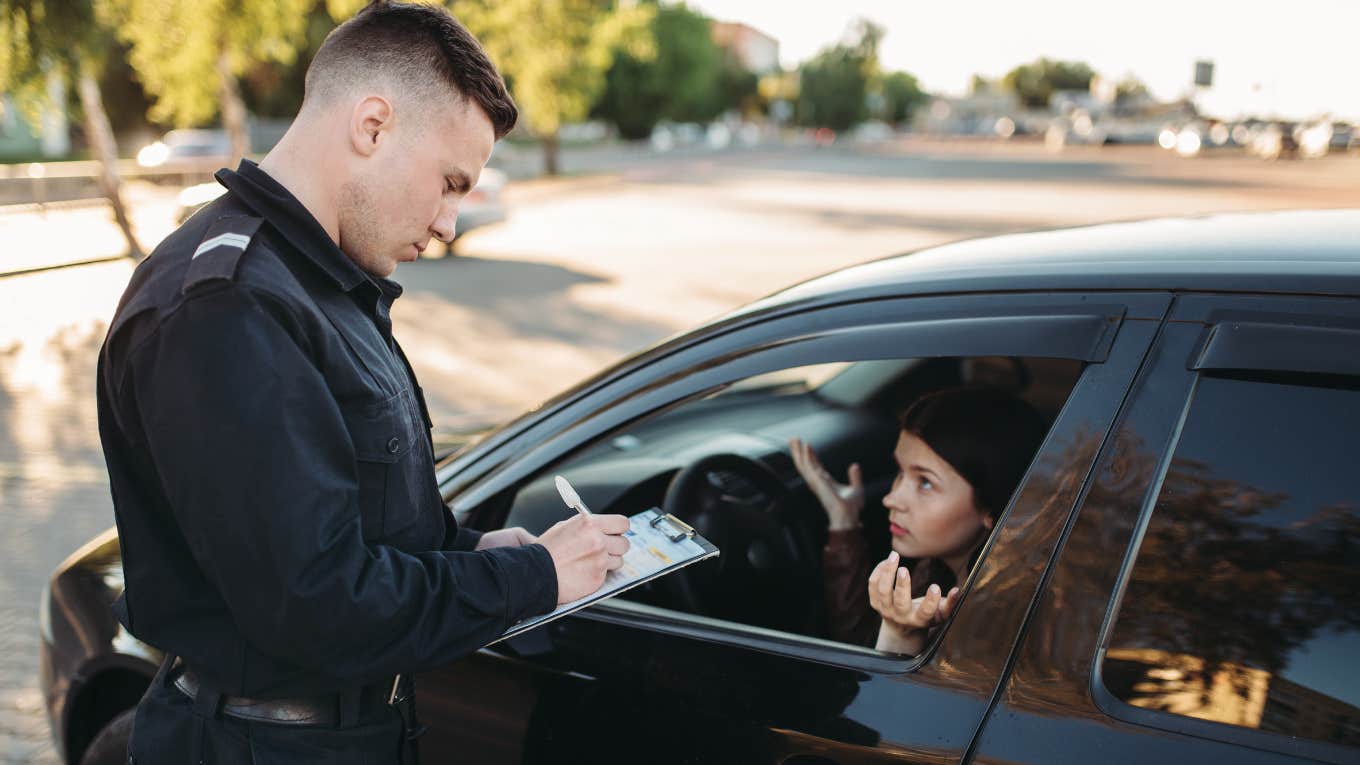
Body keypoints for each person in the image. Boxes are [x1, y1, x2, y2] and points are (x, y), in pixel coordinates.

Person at [95, 3, 629, 763]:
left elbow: (363, 523)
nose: (449, 223)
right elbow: (317, 604)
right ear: (373, 125)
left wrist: (478, 550)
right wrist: (529, 577)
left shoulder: (320, 283)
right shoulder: (228, 305)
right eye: (450, 183)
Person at [789, 387, 1047, 655]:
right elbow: (862, 643)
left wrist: (901, 638)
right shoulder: (936, 569)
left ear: (992, 508)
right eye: (901, 471)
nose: (891, 499)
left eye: (925, 482)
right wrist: (843, 520)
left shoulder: (994, 629)